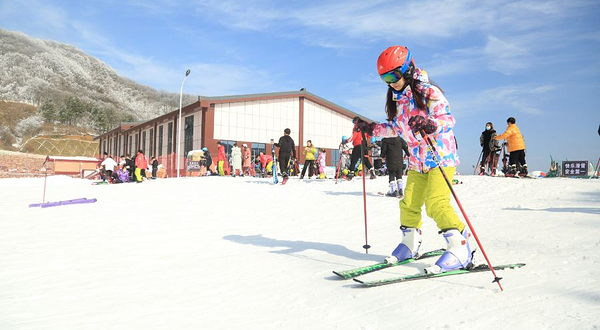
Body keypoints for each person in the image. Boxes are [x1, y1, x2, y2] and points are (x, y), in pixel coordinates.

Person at [356, 45, 473, 274]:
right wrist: (371, 129)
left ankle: (460, 247)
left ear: (407, 69)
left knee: (436, 203)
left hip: (440, 156)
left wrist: (430, 124)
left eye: (393, 76)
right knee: (408, 202)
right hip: (417, 161)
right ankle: (410, 244)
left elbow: (447, 119)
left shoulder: (429, 92)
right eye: (385, 78)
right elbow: (396, 127)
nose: (391, 82)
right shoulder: (399, 99)